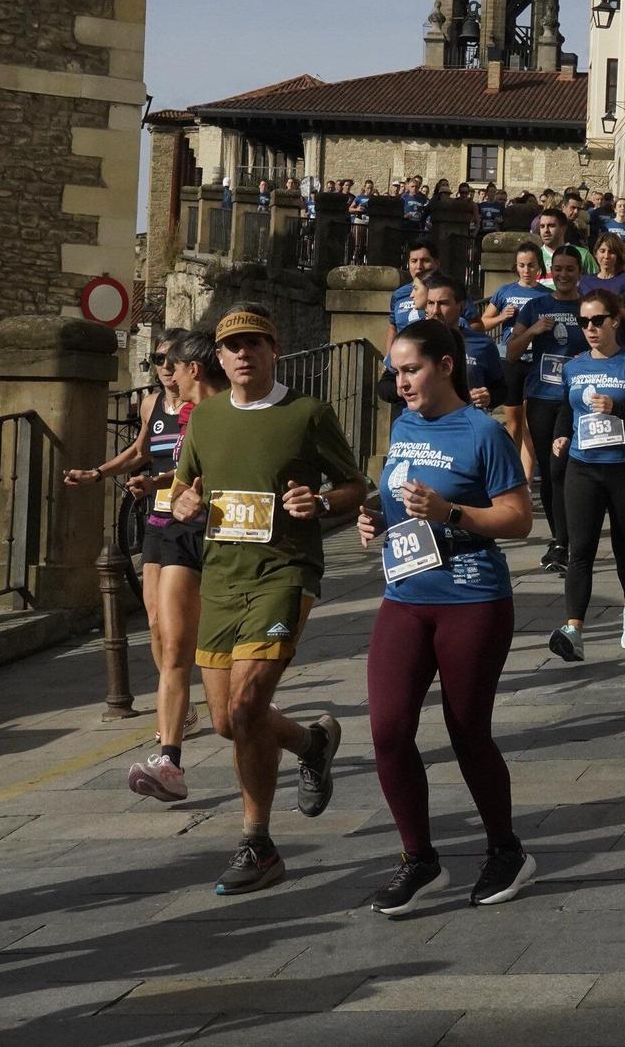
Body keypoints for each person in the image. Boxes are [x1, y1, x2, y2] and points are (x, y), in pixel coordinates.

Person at [168, 305, 363, 893]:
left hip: (284, 572)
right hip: (221, 578)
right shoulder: (204, 417)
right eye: (232, 347)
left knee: (250, 707)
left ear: (274, 350)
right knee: (228, 722)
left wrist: (322, 504)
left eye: (254, 343)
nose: (242, 354)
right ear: (219, 360)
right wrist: (182, 504)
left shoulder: (307, 413)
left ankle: (257, 844)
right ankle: (312, 741)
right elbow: (183, 485)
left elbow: (355, 485)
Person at [359, 319, 538, 916]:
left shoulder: (483, 432)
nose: (401, 381)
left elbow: (518, 519)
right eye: (396, 371)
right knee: (387, 731)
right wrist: (376, 523)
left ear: (446, 365)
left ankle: (505, 849)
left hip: (471, 597)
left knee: (467, 733)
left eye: (411, 369)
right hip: (406, 594)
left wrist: (451, 512)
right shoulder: (403, 424)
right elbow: (392, 502)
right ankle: (419, 858)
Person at [73, 330, 216, 802]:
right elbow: (139, 449)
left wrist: (159, 480)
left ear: (190, 366)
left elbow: (195, 470)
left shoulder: (214, 412)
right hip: (160, 523)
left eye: (168, 359)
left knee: (190, 637)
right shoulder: (154, 406)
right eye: (156, 360)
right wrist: (100, 473)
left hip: (202, 526)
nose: (162, 368)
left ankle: (230, 708)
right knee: (158, 626)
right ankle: (175, 726)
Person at [551, 290, 625, 657]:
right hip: (583, 468)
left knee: (623, 548)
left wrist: (618, 407)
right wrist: (561, 435)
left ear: (615, 321)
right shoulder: (574, 366)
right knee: (580, 549)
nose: (591, 328)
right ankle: (574, 631)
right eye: (584, 322)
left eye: (598, 320)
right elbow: (567, 410)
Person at [506, 245, 590, 571]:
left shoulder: (589, 307)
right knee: (551, 471)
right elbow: (511, 353)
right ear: (550, 271)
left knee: (563, 470)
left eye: (570, 269)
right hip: (542, 399)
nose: (564, 274)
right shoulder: (536, 306)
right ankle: (561, 541)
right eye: (559, 268)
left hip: (577, 402)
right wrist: (532, 331)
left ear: (579, 273)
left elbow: (612, 347)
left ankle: (566, 541)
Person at [379, 276, 506, 412]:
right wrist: (401, 390)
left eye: (443, 303)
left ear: (461, 306)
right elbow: (384, 386)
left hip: (464, 426)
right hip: (420, 426)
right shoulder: (411, 340)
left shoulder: (482, 344)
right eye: (430, 303)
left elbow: (501, 389)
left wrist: (489, 397)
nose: (435, 311)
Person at [480, 242, 549, 478]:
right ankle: (512, 474)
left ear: (539, 266)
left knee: (530, 425)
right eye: (522, 265)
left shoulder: (546, 295)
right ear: (516, 267)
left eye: (531, 265)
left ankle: (526, 481)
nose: (526, 270)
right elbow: (481, 323)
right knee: (514, 422)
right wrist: (501, 316)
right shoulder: (505, 291)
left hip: (537, 361)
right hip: (510, 360)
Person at [387, 240, 444, 351]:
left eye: (425, 260)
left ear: (436, 263)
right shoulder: (398, 294)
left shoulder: (450, 291)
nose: (419, 266)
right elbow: (392, 327)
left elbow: (473, 325)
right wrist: (389, 358)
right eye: (414, 261)